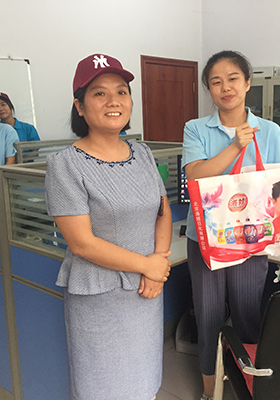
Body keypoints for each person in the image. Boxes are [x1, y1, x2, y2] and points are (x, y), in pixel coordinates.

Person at [44, 54, 172, 400]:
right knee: (103, 386)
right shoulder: (64, 165)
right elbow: (82, 243)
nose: (114, 101)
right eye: (99, 93)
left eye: (121, 91)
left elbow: (162, 211)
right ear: (80, 106)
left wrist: (158, 263)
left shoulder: (142, 153)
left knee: (145, 381)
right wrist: (148, 266)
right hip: (99, 297)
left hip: (147, 290)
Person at [182, 50, 280, 400]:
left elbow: (277, 185)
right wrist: (235, 145)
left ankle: (252, 387)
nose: (225, 87)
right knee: (208, 316)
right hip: (206, 240)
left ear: (247, 83)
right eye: (216, 82)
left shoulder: (269, 131)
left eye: (233, 79)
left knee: (247, 313)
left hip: (251, 239)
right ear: (209, 89)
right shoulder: (195, 128)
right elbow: (195, 176)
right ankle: (209, 393)